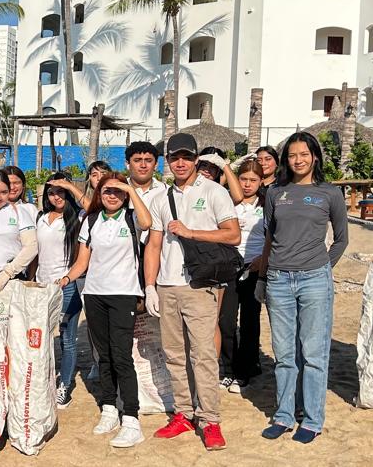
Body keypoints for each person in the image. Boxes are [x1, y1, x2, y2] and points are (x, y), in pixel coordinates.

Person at [143, 133, 240, 451]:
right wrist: (150, 286)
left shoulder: (213, 192)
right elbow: (154, 245)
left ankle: (210, 420)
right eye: (174, 157)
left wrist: (191, 232)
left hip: (199, 286)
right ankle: (183, 414)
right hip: (167, 287)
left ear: (197, 159)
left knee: (203, 356)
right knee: (173, 355)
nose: (180, 162)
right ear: (168, 161)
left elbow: (233, 235)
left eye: (186, 156)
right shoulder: (160, 198)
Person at [257, 132, 348, 444]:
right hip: (279, 281)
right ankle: (283, 415)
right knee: (284, 354)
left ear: (315, 157)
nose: (298, 160)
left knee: (313, 353)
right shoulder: (275, 192)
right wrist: (263, 276)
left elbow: (341, 239)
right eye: (292, 155)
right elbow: (270, 237)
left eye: (304, 154)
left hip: (314, 280)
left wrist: (321, 266)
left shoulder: (330, 193)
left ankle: (311, 419)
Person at [59, 172, 153, 448]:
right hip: (95, 294)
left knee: (122, 355)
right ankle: (110, 407)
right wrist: (64, 279)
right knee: (104, 356)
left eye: (117, 191)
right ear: (98, 194)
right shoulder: (91, 221)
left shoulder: (130, 218)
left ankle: (132, 418)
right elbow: (82, 262)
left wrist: (129, 189)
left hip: (124, 294)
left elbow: (147, 222)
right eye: (106, 191)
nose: (112, 196)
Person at [217, 157, 267, 391]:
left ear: (261, 181)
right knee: (226, 321)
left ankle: (244, 371)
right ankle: (228, 368)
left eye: (252, 180)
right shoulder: (228, 203)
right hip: (229, 267)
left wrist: (261, 261)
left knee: (249, 321)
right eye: (243, 179)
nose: (247, 184)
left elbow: (271, 239)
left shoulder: (267, 205)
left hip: (254, 267)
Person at [35, 173, 84, 407]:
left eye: (61, 191)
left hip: (65, 286)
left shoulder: (77, 218)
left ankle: (64, 385)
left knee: (67, 339)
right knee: (42, 338)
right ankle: (42, 382)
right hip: (41, 287)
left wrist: (69, 185)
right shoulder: (41, 218)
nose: (57, 196)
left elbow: (89, 204)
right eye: (52, 192)